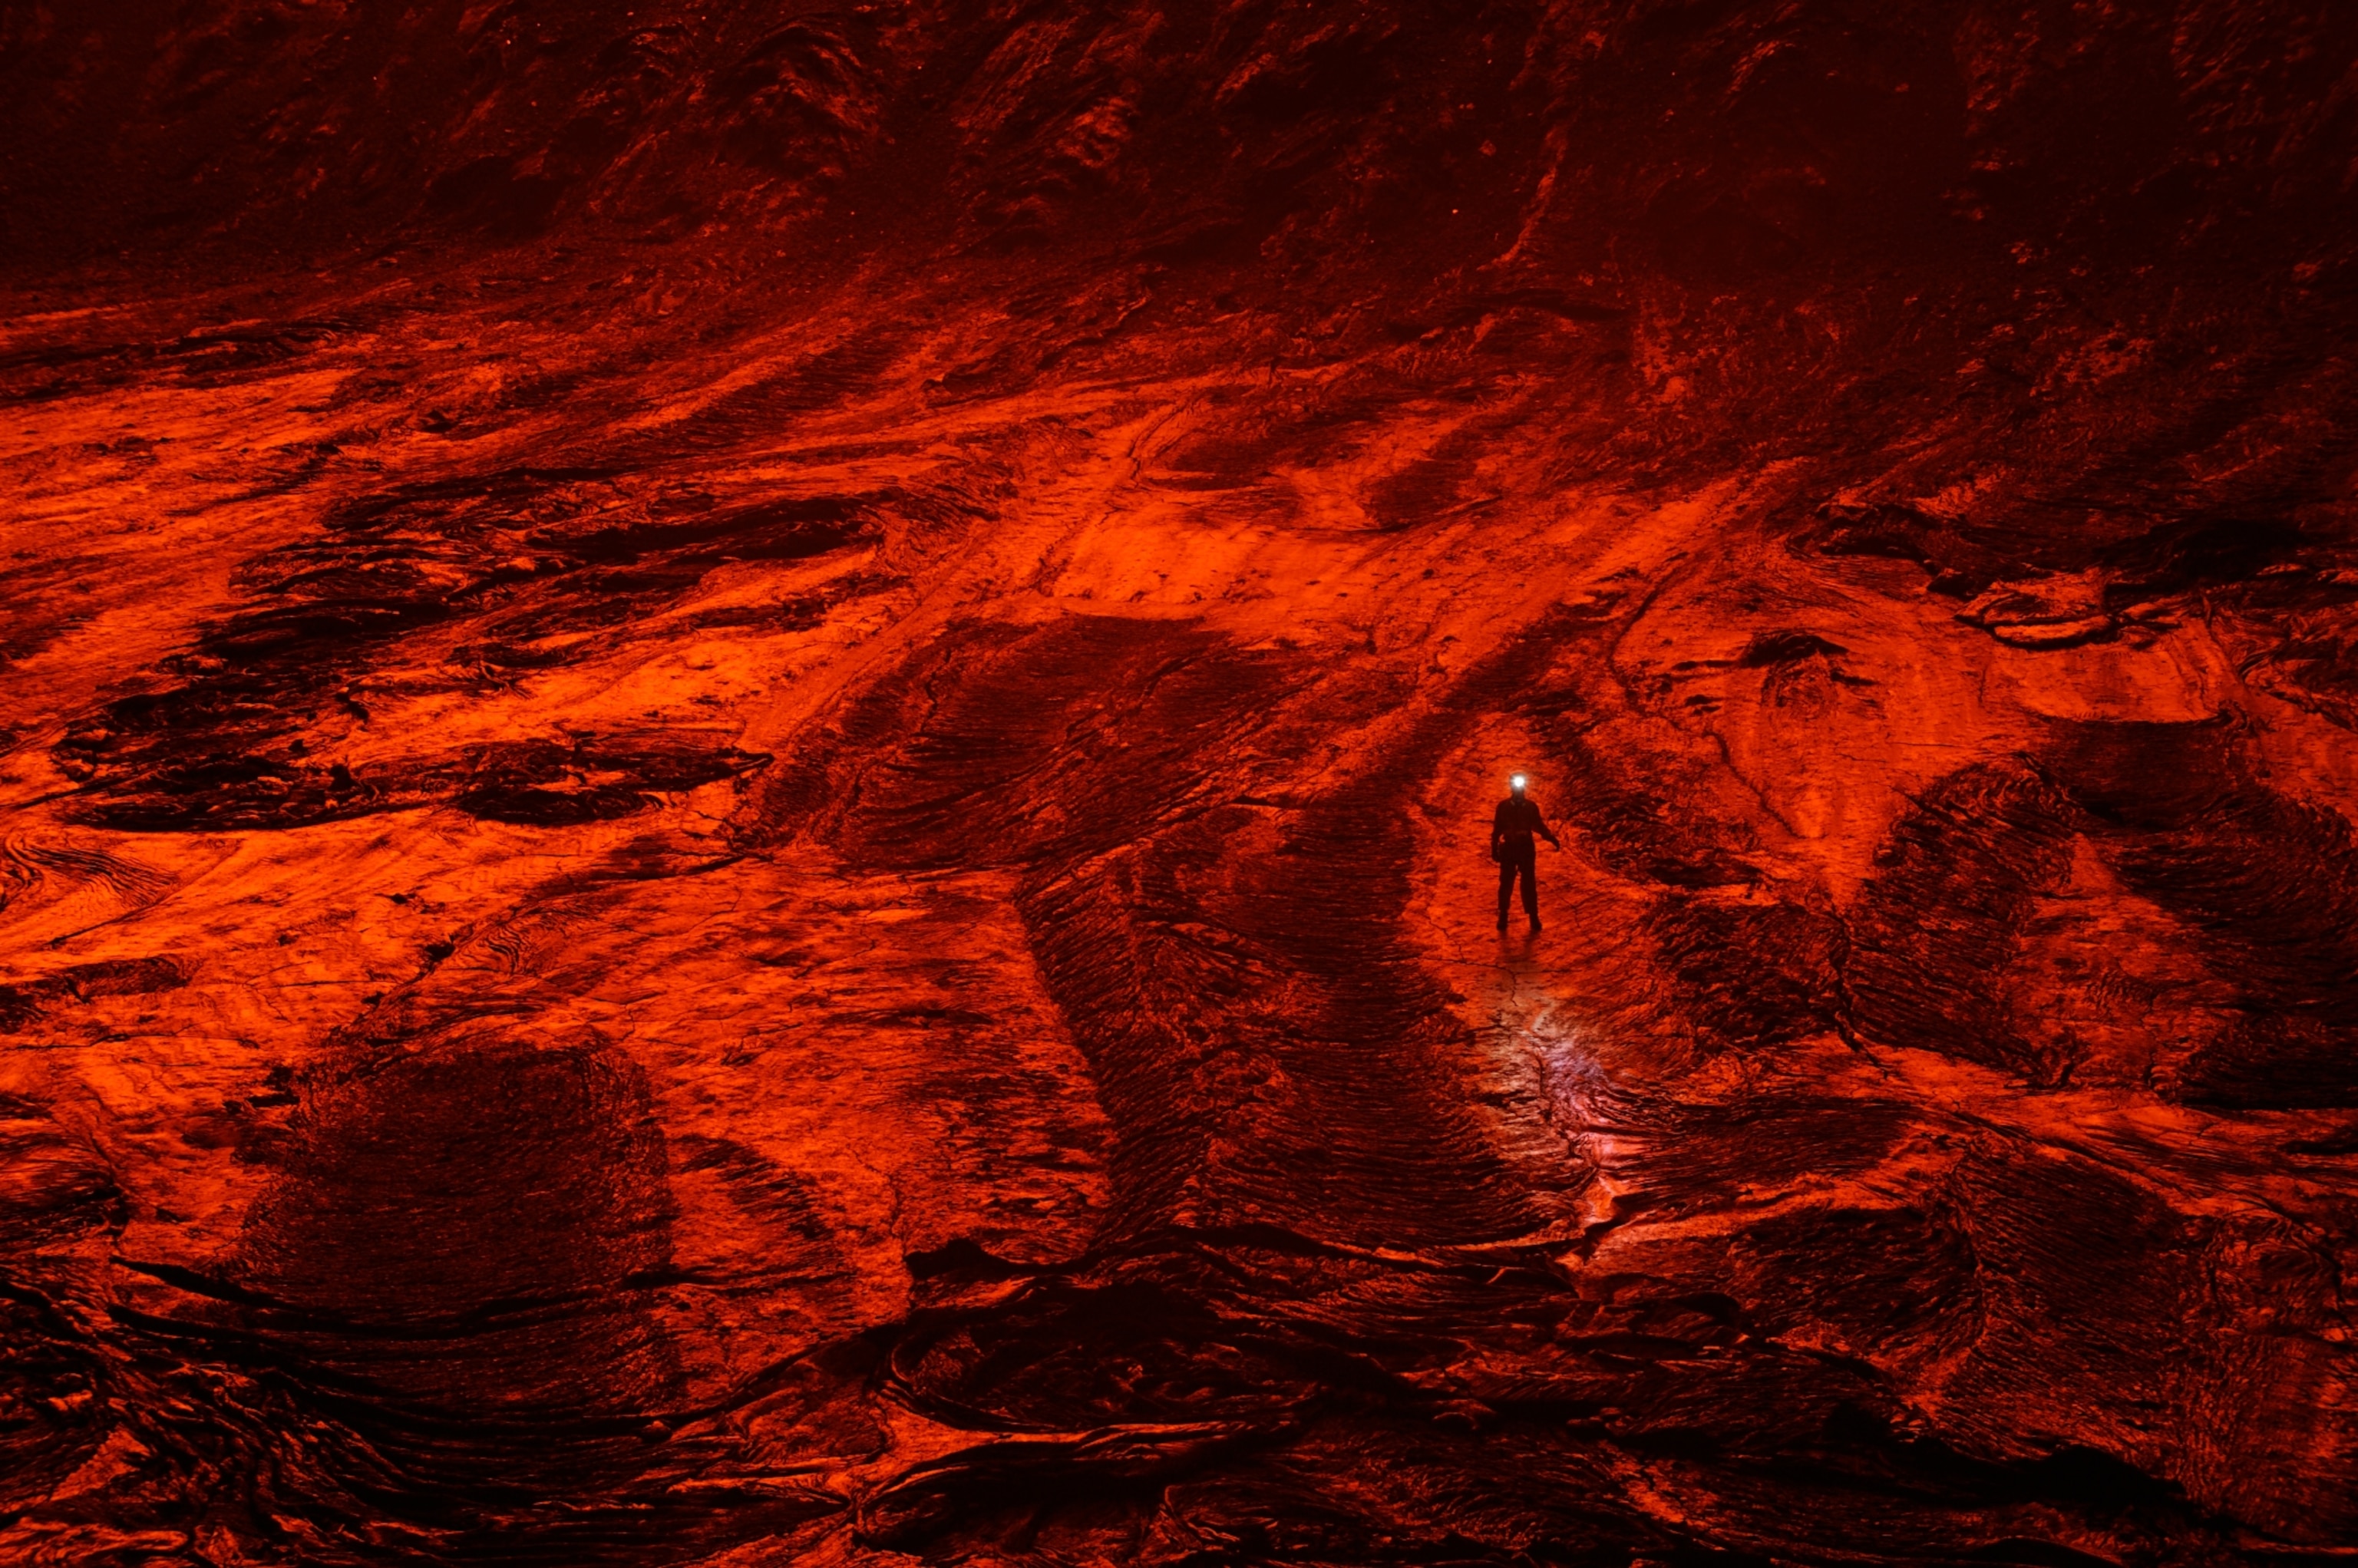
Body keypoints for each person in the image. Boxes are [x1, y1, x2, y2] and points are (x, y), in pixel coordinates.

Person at [1490, 773, 1561, 932]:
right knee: (1506, 883)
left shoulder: (1530, 807)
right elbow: (1497, 829)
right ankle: (1503, 915)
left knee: (1529, 884)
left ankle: (1533, 916)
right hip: (1509, 848)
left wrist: (1550, 837)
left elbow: (1538, 825)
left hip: (1526, 849)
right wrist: (1494, 847)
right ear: (1511, 787)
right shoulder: (1503, 807)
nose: (1518, 789)